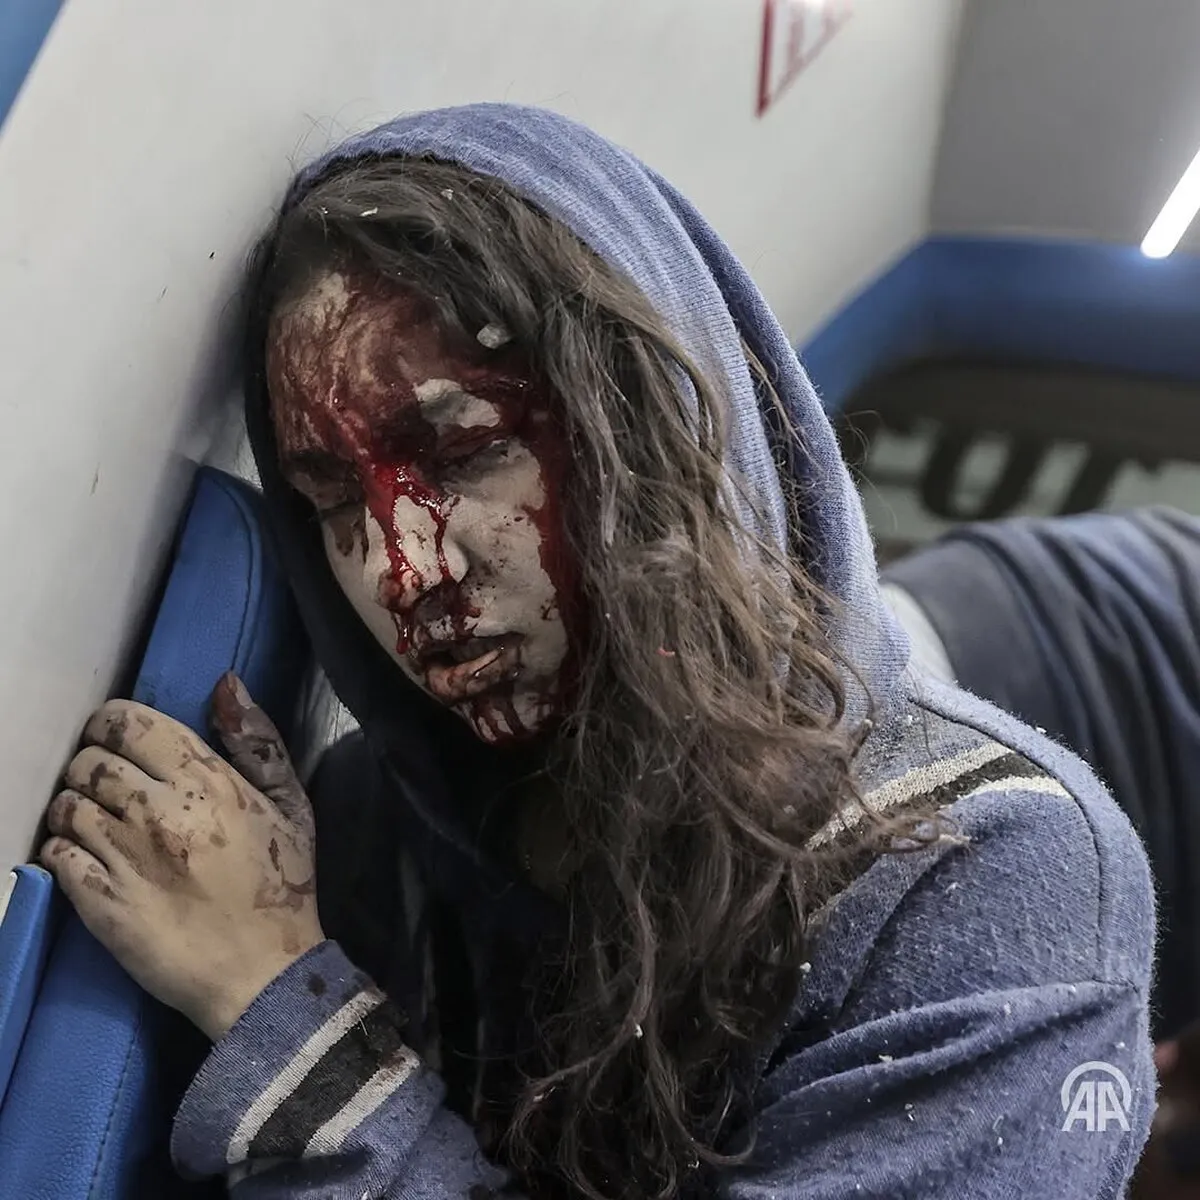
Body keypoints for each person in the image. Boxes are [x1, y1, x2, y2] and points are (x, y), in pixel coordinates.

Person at [38, 105, 1155, 1198]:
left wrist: (292, 1029)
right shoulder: (376, 834)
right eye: (335, 504)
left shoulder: (979, 873)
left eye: (467, 453)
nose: (406, 574)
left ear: (652, 427)